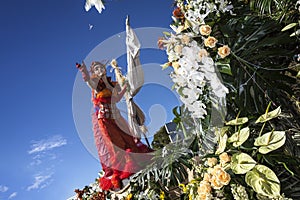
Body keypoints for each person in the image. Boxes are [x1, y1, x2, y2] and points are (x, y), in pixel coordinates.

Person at [76, 61, 151, 190]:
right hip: (105, 119)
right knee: (115, 143)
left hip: (116, 116)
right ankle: (122, 171)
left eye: (101, 67)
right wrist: (84, 71)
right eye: (96, 69)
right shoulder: (96, 84)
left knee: (128, 138)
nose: (100, 70)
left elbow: (115, 99)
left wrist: (124, 89)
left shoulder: (111, 84)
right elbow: (89, 83)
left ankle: (137, 161)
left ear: (104, 69)